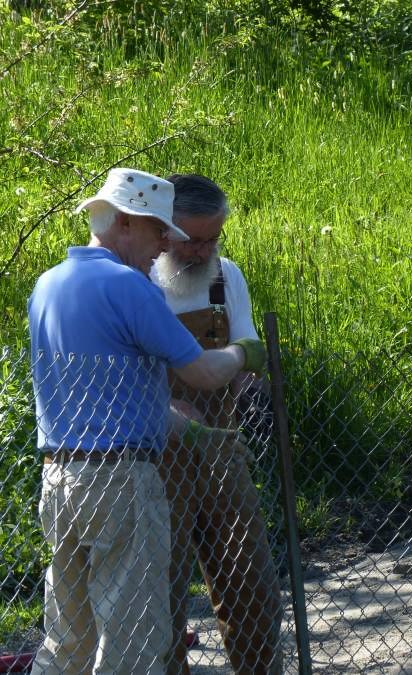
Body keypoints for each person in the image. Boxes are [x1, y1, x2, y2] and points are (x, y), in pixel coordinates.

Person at [28, 168, 268, 674]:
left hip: (63, 474)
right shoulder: (133, 287)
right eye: (163, 231)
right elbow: (201, 372)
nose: (168, 244)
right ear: (126, 223)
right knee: (135, 637)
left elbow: (102, 385)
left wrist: (196, 426)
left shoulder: (48, 284)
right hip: (130, 476)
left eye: (204, 239)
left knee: (68, 641)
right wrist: (244, 355)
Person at [151, 174, 283, 674]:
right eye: (193, 239)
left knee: (252, 581)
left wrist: (240, 372)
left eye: (212, 238)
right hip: (157, 456)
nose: (202, 251)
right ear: (164, 231)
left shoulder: (227, 277)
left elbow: (250, 349)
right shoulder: (138, 283)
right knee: (161, 592)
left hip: (222, 448)